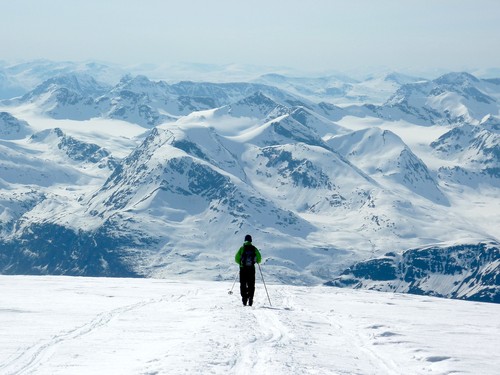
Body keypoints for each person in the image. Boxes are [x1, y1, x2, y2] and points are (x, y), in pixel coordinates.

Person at [234, 234, 262, 306]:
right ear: (251, 240)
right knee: (251, 284)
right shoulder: (254, 248)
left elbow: (236, 259)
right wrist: (255, 261)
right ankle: (250, 298)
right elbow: (259, 259)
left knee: (243, 284)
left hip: (243, 269)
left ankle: (244, 299)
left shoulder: (241, 248)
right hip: (251, 269)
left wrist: (241, 263)